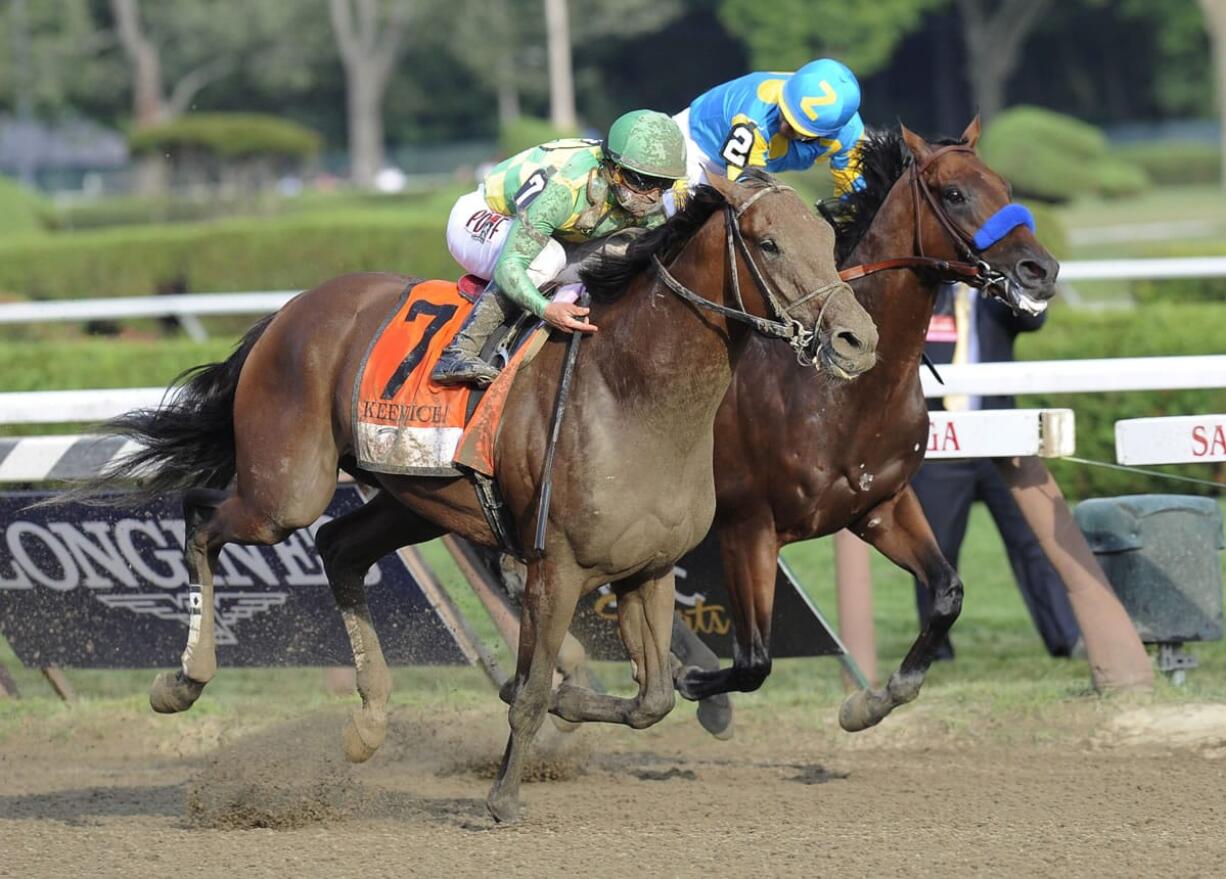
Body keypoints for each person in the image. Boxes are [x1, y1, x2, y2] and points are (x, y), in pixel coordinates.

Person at [431, 109, 689, 387]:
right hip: (482, 216)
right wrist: (545, 309)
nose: (651, 195)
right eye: (640, 181)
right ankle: (459, 351)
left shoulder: (651, 195)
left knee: (632, 250)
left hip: (559, 232)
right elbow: (510, 266)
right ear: (613, 169)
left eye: (662, 184)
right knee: (547, 258)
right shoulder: (566, 188)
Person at [913, 282, 1082, 659]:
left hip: (1001, 443)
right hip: (943, 442)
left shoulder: (999, 295)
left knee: (1034, 544)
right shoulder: (929, 292)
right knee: (936, 555)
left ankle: (1066, 640)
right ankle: (934, 651)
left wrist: (1025, 279)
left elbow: (1033, 319)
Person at [673, 58, 867, 198]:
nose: (783, 126)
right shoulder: (754, 118)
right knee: (676, 216)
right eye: (784, 112)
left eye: (797, 128)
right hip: (691, 148)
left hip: (737, 165)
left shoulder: (850, 136)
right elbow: (743, 187)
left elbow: (853, 193)